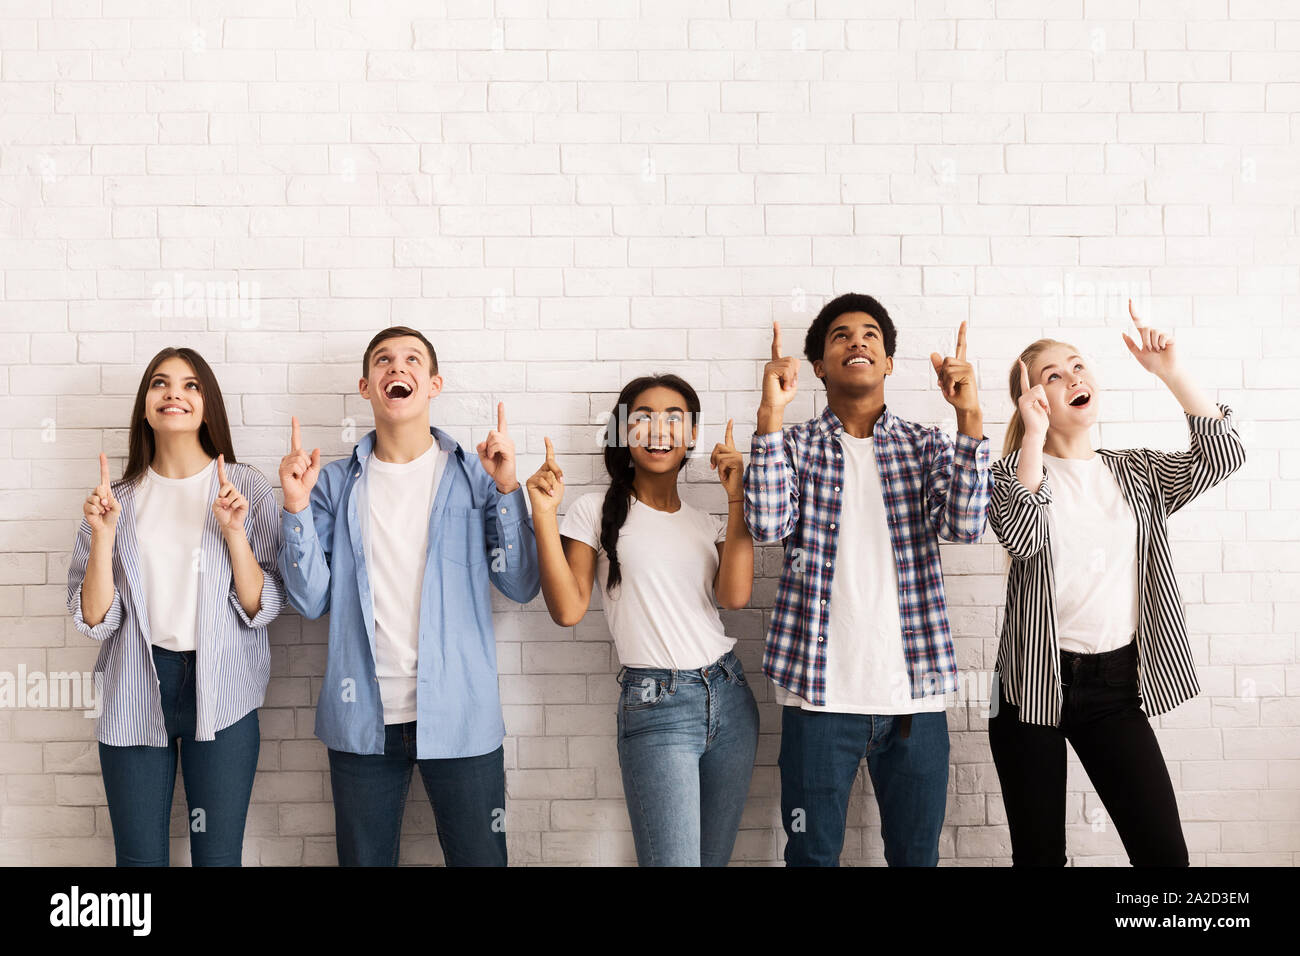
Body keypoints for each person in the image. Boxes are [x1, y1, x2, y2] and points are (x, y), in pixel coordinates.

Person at [987, 300, 1246, 867]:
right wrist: (1031, 437)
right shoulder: (1013, 474)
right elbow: (1023, 537)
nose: (1072, 378)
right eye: (1052, 377)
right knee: (1040, 859)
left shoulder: (1136, 471)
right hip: (1031, 687)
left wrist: (1170, 372)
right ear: (1034, 402)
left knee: (1163, 859)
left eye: (1077, 366)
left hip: (1114, 686)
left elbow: (1225, 454)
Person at [744, 293, 993, 866]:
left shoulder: (928, 443)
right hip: (817, 696)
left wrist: (969, 419)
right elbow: (765, 522)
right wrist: (770, 417)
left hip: (915, 700)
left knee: (916, 857)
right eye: (840, 336)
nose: (856, 341)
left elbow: (965, 525)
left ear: (887, 363)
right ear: (819, 368)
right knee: (812, 856)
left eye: (870, 336)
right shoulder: (794, 444)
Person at [276, 326, 540, 866]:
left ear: (434, 383)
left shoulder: (476, 474)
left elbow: (519, 583)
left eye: (412, 359)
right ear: (366, 385)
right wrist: (297, 509)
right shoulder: (331, 484)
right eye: (383, 361)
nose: (398, 368)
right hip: (362, 723)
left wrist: (510, 489)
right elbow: (310, 601)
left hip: (461, 718)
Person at [525, 374, 759, 866]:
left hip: (731, 697)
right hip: (658, 707)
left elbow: (735, 597)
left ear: (692, 435)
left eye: (674, 418)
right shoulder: (592, 512)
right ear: (623, 433)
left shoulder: (708, 522)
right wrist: (544, 516)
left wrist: (737, 498)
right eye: (644, 418)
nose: (659, 429)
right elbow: (567, 610)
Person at [67, 348, 284, 866]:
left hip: (224, 687)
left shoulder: (246, 487)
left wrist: (234, 534)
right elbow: (95, 622)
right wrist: (103, 537)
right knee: (138, 860)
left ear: (207, 405)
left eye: (191, 386)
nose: (174, 394)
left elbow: (263, 606)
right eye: (160, 384)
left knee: (218, 856)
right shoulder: (113, 499)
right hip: (136, 688)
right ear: (146, 406)